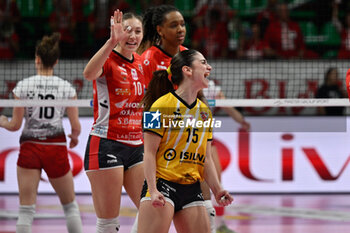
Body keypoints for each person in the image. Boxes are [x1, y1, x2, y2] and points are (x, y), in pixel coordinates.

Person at [138, 49, 233, 233]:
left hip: (191, 187)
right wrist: (152, 190)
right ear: (187, 70)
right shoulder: (159, 106)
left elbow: (206, 159)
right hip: (162, 183)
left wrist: (217, 189)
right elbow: (148, 153)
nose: (209, 67)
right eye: (203, 63)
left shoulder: (205, 112)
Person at [0, 32, 82, 233]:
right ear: (56, 61)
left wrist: (2, 121)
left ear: (37, 59)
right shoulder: (66, 88)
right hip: (56, 148)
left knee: (26, 210)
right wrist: (74, 137)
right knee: (70, 207)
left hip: (30, 147)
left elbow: (15, 126)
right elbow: (76, 125)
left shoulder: (23, 86)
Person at [83, 10, 145, 233]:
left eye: (138, 31)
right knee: (109, 223)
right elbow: (88, 74)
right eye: (127, 30)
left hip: (137, 146)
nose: (133, 36)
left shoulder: (141, 62)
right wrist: (111, 41)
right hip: (106, 143)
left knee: (153, 209)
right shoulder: (108, 59)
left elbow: (147, 104)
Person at [202, 79, 250, 233]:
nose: (207, 67)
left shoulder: (211, 87)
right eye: (202, 63)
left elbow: (228, 107)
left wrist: (241, 121)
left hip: (208, 138)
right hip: (186, 138)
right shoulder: (181, 84)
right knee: (199, 186)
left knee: (217, 182)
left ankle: (219, 225)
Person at [138, 4, 187, 85]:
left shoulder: (188, 55)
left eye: (182, 24)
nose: (180, 29)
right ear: (160, 30)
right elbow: (145, 96)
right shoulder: (148, 59)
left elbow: (199, 94)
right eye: (174, 26)